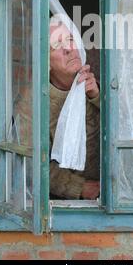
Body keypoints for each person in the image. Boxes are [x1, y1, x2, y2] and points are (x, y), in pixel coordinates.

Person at [49, 21, 100, 200]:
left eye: (70, 39)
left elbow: (128, 125)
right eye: (56, 44)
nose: (68, 49)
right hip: (70, 204)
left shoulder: (100, 83)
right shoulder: (34, 103)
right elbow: (33, 163)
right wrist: (80, 188)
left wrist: (97, 97)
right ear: (46, 62)